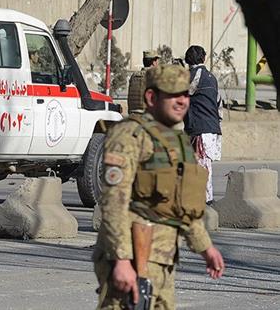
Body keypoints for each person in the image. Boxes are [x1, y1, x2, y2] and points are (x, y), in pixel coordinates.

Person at [93, 64, 224, 309]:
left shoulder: (179, 141)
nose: (182, 101)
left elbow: (184, 206)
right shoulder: (130, 135)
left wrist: (205, 247)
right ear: (152, 97)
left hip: (163, 260)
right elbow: (114, 201)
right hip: (131, 257)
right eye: (173, 95)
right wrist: (121, 259)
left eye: (185, 94)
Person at [183, 45, 222, 205]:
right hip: (211, 127)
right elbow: (219, 102)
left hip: (200, 128)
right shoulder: (212, 77)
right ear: (203, 58)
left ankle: (206, 202)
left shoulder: (194, 75)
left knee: (201, 165)